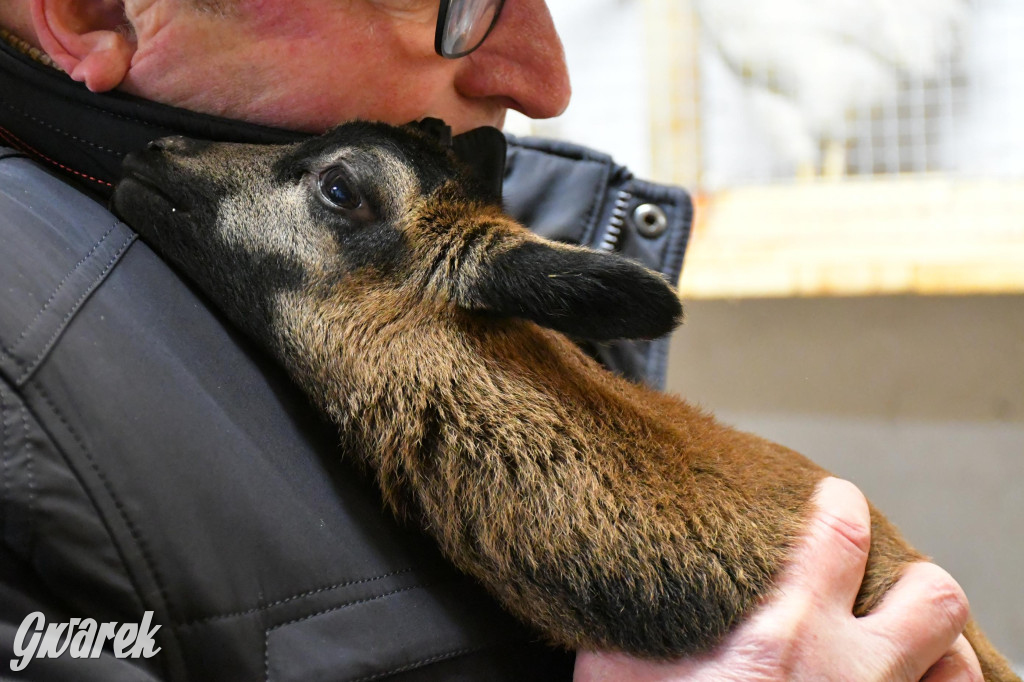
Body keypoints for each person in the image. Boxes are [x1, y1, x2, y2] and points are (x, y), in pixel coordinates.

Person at [0, 1, 982, 680]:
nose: (544, 79)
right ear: (99, 11)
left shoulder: (437, 284)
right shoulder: (26, 405)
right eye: (453, 2)